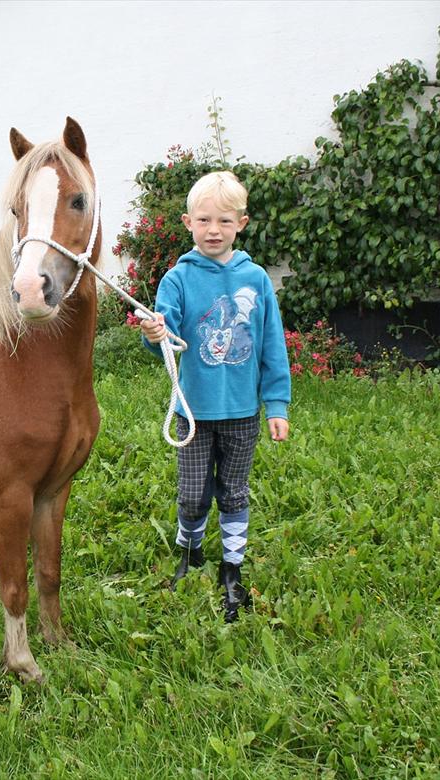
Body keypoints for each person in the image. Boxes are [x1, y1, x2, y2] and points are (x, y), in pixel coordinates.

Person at [140, 170, 291, 623]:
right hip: (193, 412)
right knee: (191, 495)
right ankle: (191, 550)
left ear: (241, 224)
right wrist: (155, 333)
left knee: (233, 490)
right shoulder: (178, 279)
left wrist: (277, 405)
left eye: (224, 222)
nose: (213, 231)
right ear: (187, 222)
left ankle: (232, 567)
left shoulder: (257, 279)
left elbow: (271, 344)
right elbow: (163, 336)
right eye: (204, 220)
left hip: (244, 412)